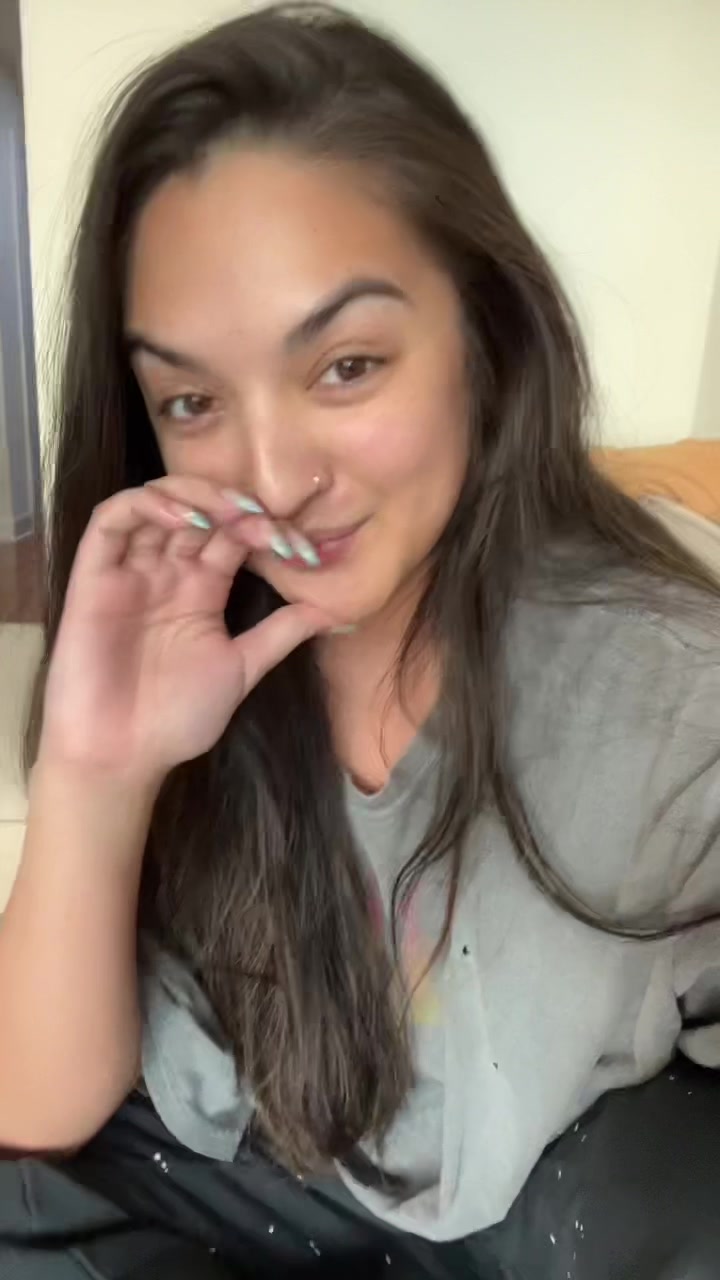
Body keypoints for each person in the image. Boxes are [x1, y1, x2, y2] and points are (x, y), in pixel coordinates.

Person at [1, 4, 720, 1277]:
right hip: (258, 1194)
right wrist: (98, 773)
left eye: (345, 365)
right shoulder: (187, 642)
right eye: (192, 398)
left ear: (483, 334)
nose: (274, 476)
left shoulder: (671, 697)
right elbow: (36, 1111)